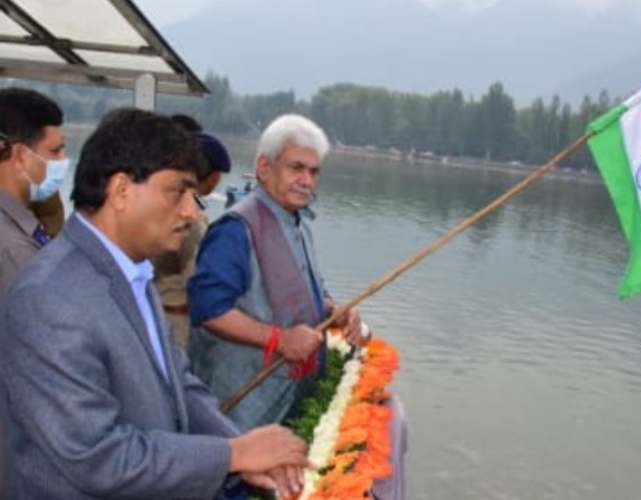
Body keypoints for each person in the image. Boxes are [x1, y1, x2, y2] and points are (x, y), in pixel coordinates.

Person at [0, 108, 309, 500]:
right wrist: (230, 455)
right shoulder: (48, 297)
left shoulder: (134, 272)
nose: (191, 211)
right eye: (177, 192)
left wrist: (247, 451)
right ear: (122, 190)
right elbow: (96, 456)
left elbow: (180, 384)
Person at [188, 114, 407, 499]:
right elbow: (209, 310)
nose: (306, 180)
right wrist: (278, 339)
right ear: (264, 167)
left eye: (313, 171)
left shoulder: (298, 223)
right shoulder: (236, 230)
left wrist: (335, 312)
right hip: (241, 404)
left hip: (289, 393)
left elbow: (307, 292)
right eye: (296, 168)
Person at [153, 130, 232, 347]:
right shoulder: (190, 221)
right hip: (177, 322)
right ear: (213, 176)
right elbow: (198, 281)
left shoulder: (163, 208)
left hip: (157, 311)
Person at [0, 87, 67, 300]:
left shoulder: (23, 228)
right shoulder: (13, 249)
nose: (63, 161)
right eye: (55, 151)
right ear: (20, 156)